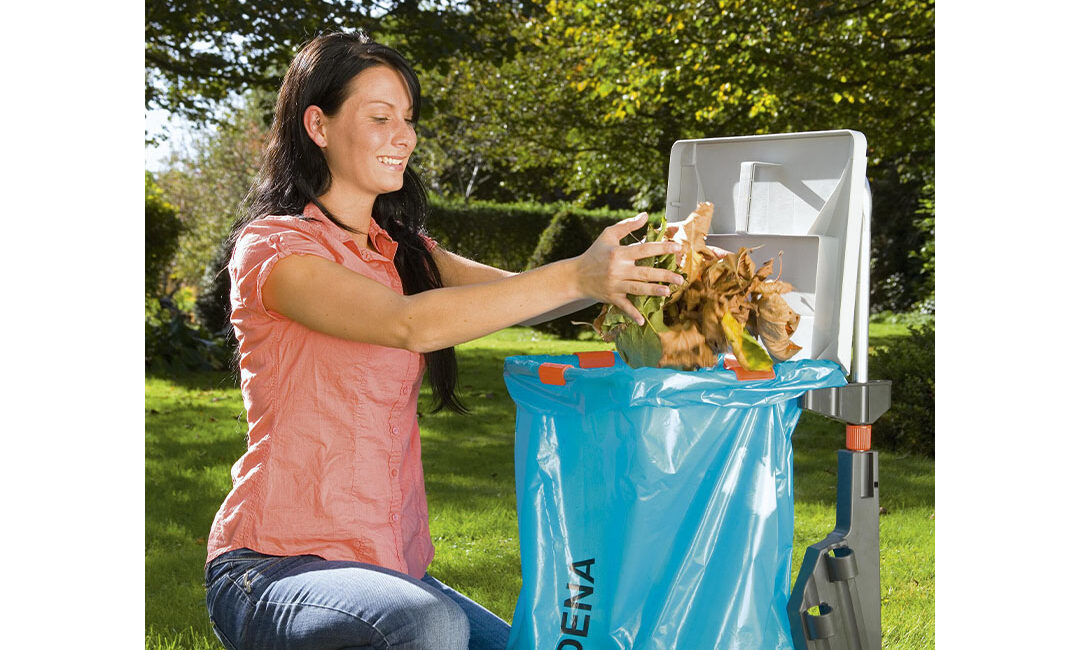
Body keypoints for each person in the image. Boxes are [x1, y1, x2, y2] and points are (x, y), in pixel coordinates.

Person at [202, 30, 684, 650]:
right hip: (272, 566)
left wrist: (661, 277)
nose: (403, 136)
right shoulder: (276, 249)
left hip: (386, 573)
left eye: (408, 119)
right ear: (317, 125)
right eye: (380, 118)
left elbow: (534, 295)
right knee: (427, 626)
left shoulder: (403, 250)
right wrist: (577, 274)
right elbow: (410, 323)